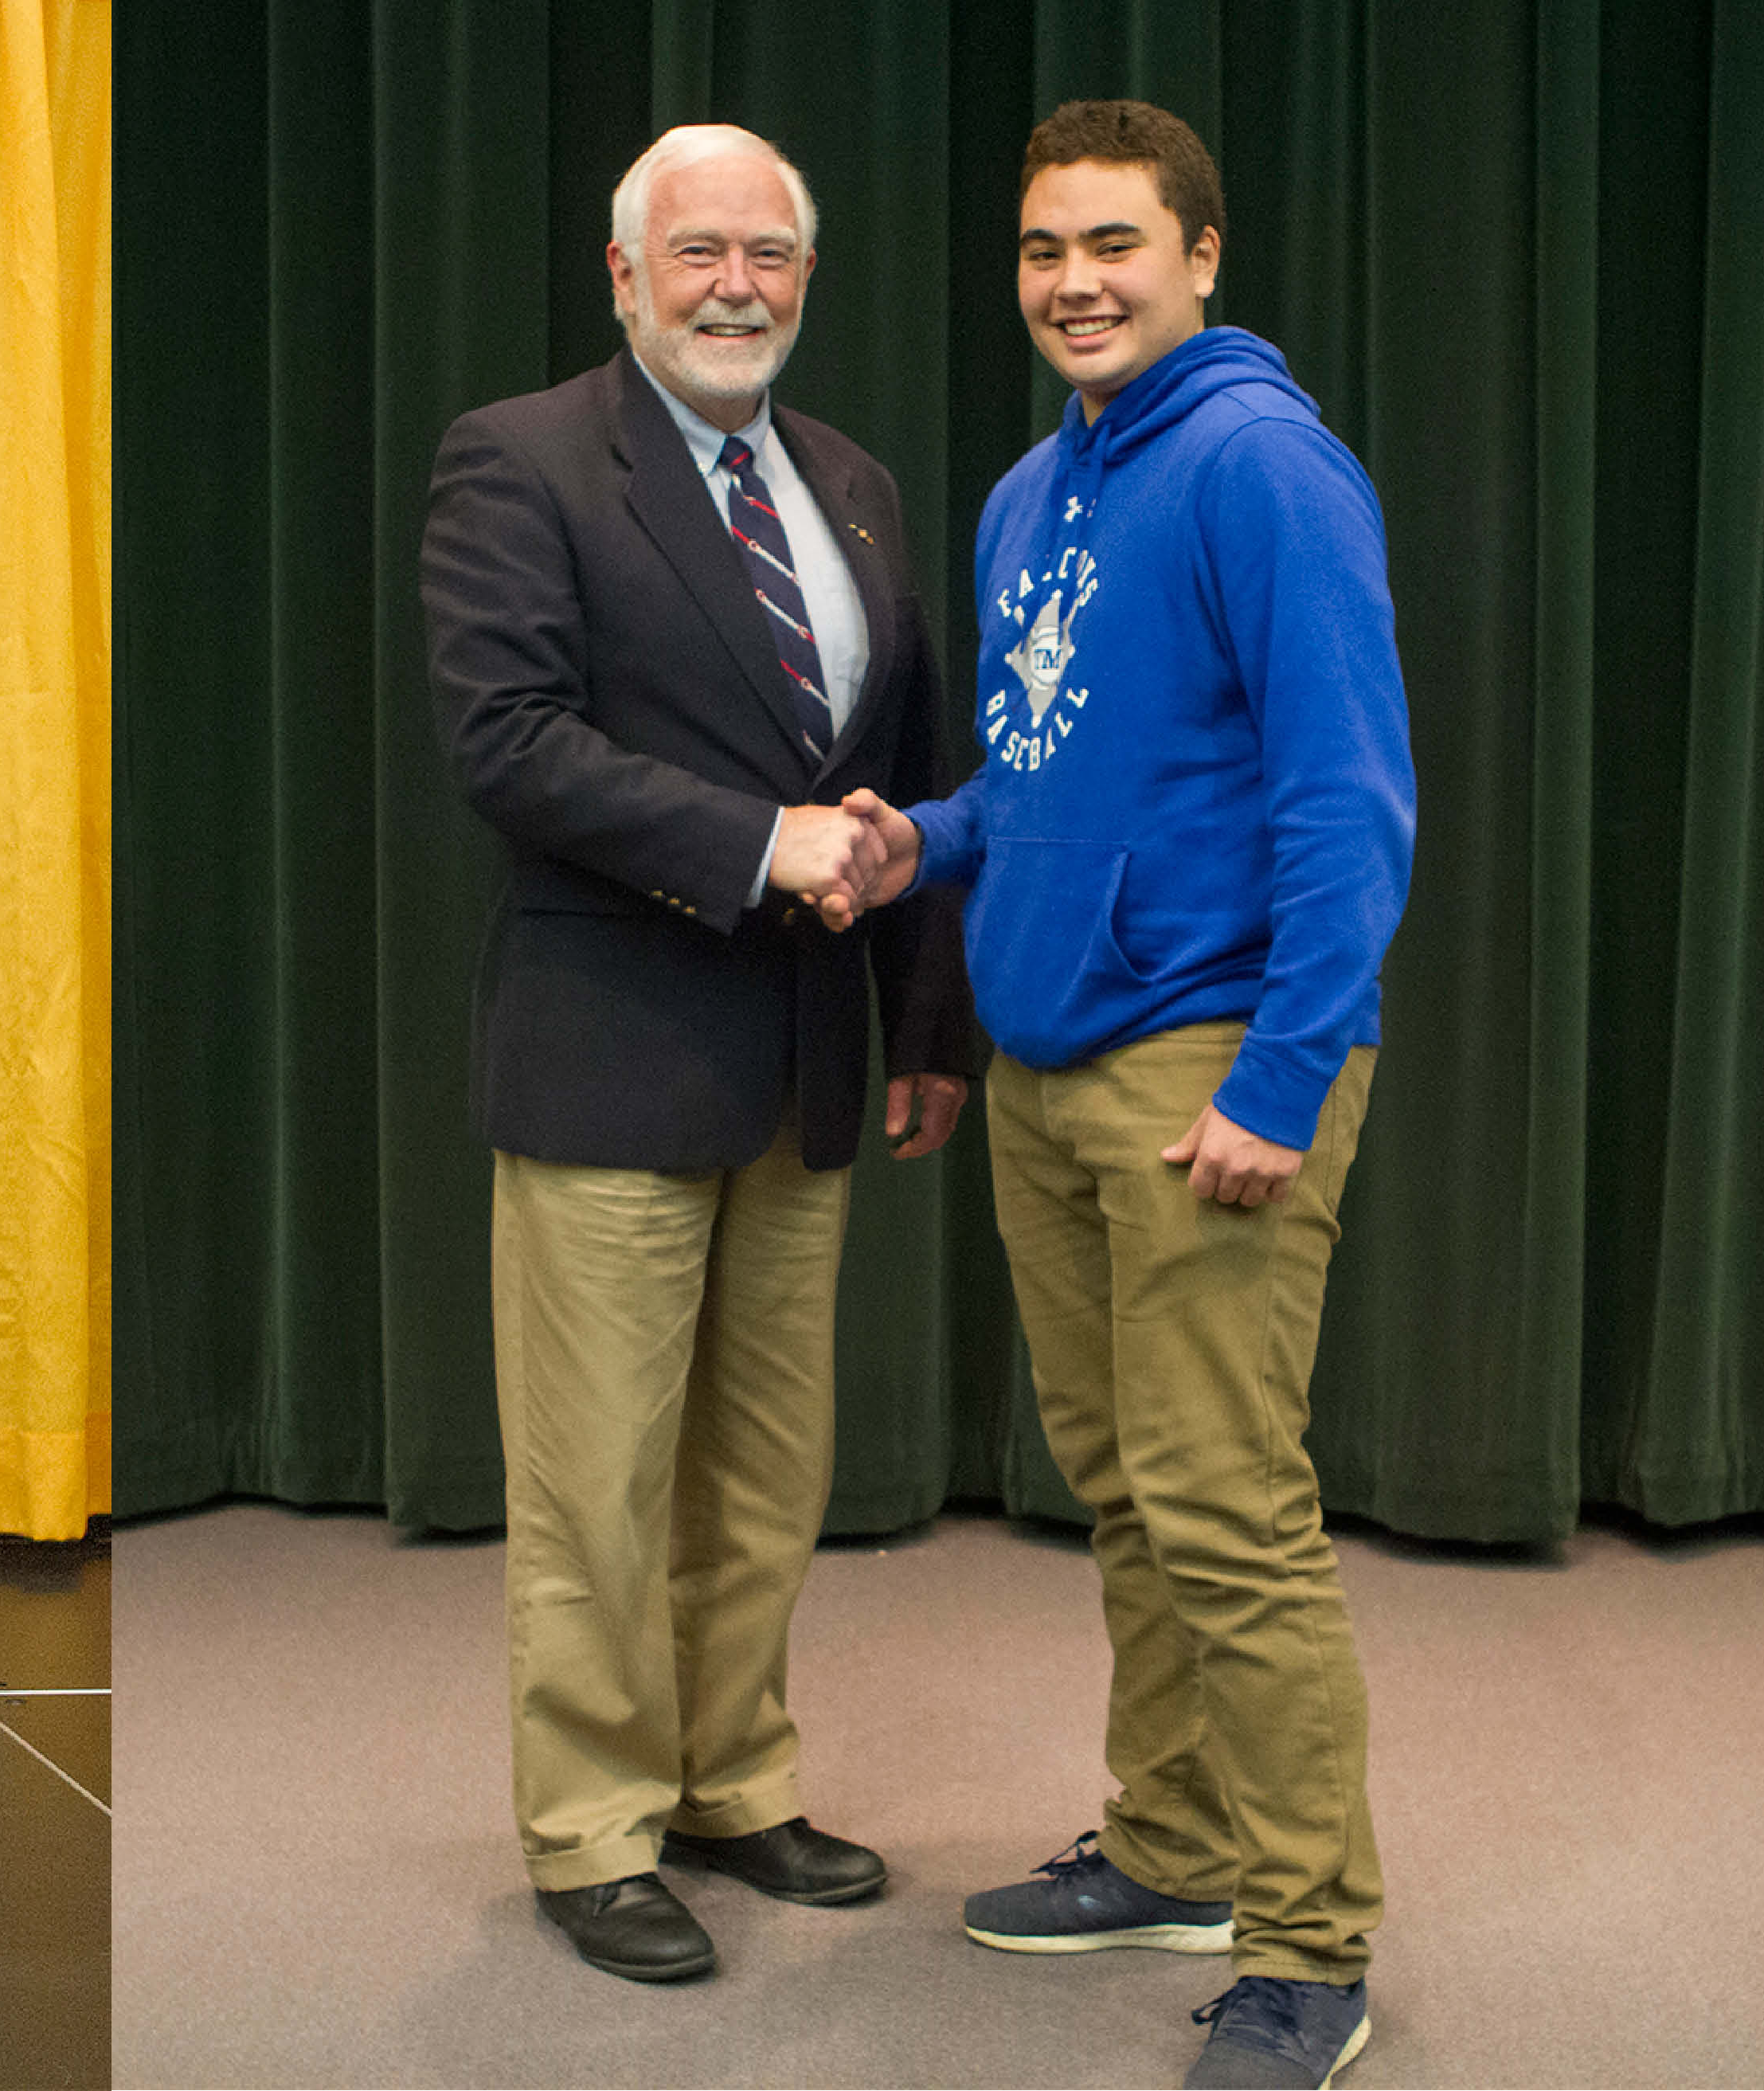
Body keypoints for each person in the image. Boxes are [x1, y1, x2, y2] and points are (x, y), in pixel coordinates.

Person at [836, 99, 1416, 2091]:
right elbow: (1040, 780)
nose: (1070, 283)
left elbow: (1347, 793)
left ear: (1198, 255)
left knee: (1227, 1513)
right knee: (1131, 1498)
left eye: (1110, 245)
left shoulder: (1261, 466)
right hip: (1046, 1063)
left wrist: (1279, 1069)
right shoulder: (1025, 497)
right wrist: (915, 837)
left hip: (1208, 1062)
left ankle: (1306, 1947)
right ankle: (1170, 1846)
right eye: (1037, 252)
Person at [416, 123, 978, 1983]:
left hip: (811, 1061)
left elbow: (900, 771)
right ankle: (589, 1824)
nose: (734, 283)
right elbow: (505, 740)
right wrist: (756, 848)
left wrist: (925, 1021)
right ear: (621, 274)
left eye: (767, 254)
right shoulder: (519, 458)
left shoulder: (855, 483)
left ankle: (734, 1775)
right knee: (596, 1478)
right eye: (697, 253)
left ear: (803, 276)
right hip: (609, 1051)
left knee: (762, 1469)